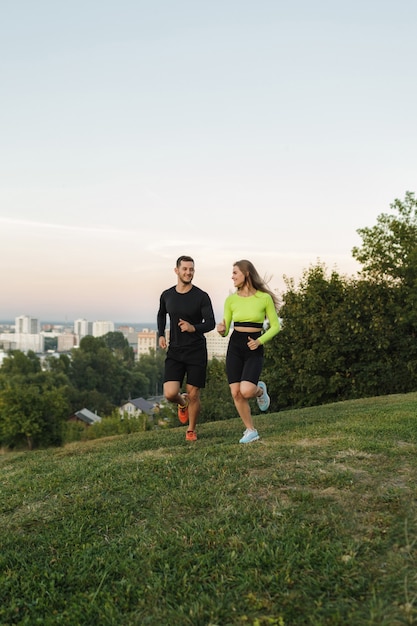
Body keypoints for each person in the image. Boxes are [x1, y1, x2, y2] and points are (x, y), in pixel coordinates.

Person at [217, 259, 281, 444]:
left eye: (235, 273)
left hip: (254, 346)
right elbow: (225, 329)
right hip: (235, 345)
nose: (232, 276)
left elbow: (276, 326)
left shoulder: (264, 298)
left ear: (246, 273)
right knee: (236, 392)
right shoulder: (231, 300)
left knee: (246, 390)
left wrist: (260, 341)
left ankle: (260, 391)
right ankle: (251, 430)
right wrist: (221, 330)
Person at [157, 255, 215, 441]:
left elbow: (211, 323)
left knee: (194, 393)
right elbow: (161, 314)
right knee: (170, 393)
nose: (188, 272)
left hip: (196, 350)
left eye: (191, 269)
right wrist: (160, 333)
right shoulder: (167, 295)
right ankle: (182, 404)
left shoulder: (201, 296)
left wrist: (193, 328)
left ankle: (191, 430)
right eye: (185, 269)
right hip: (175, 350)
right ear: (177, 271)